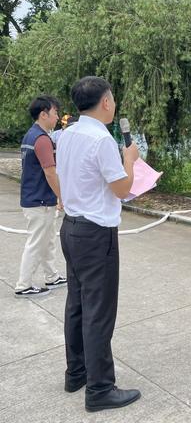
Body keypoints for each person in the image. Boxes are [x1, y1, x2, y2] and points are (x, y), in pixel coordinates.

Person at [56, 76, 141, 412]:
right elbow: (122, 189)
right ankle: (101, 388)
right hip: (95, 234)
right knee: (99, 312)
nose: (114, 104)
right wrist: (130, 160)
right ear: (105, 102)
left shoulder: (67, 134)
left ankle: (76, 373)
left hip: (72, 228)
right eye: (113, 98)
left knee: (76, 304)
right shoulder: (102, 139)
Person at [15, 95, 67, 297]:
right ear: (43, 114)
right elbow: (50, 172)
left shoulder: (30, 135)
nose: (57, 117)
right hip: (40, 201)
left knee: (46, 241)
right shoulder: (43, 140)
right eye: (55, 113)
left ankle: (52, 277)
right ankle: (23, 284)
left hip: (32, 198)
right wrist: (61, 197)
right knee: (37, 242)